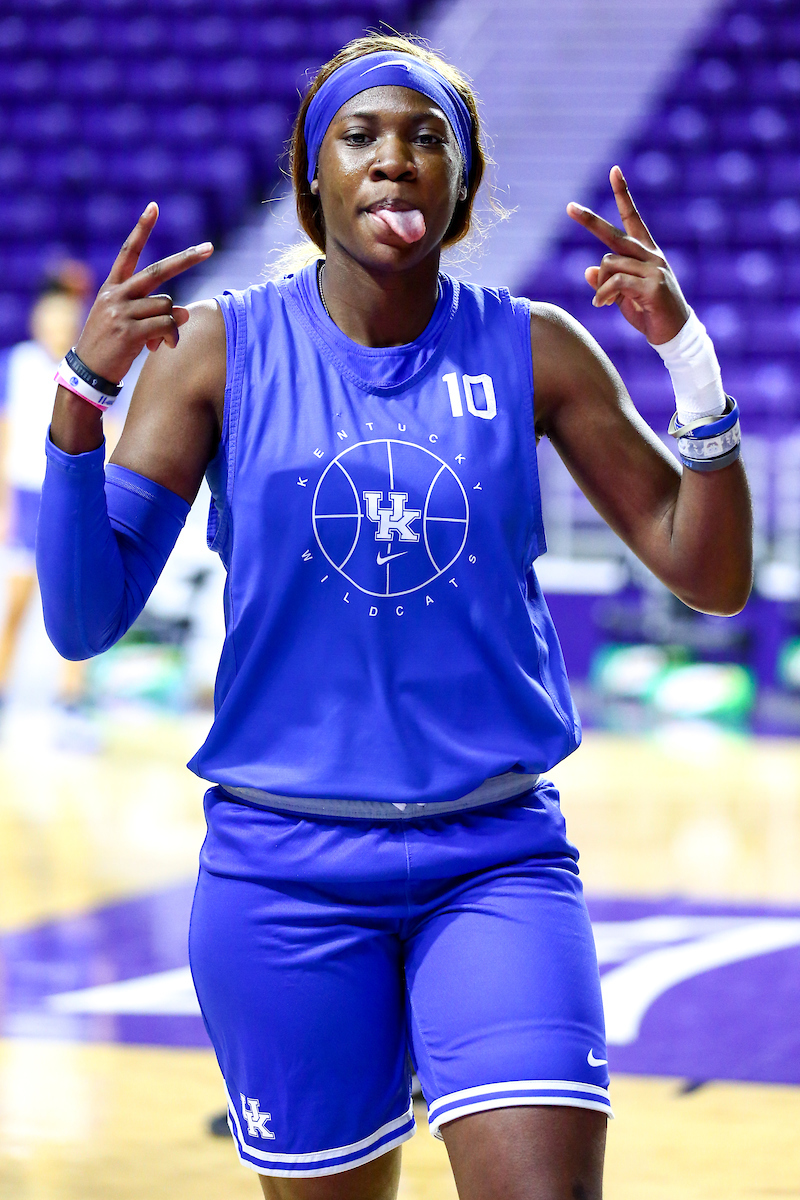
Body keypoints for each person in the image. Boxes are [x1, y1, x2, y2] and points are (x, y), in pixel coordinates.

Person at [37, 33, 752, 1200]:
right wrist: (83, 403)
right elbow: (80, 617)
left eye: (426, 141)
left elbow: (707, 574)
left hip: (495, 857)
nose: (393, 162)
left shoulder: (535, 349)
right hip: (282, 873)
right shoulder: (216, 351)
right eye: (358, 137)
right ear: (312, 176)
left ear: (458, 186)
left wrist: (688, 357)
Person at [0, 266, 92, 712]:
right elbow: (5, 435)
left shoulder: (85, 370)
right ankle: (2, 685)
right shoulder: (16, 365)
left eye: (66, 322)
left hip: (66, 496)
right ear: (38, 320)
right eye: (51, 320)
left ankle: (71, 696)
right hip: (24, 494)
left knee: (73, 601)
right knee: (17, 600)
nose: (58, 328)